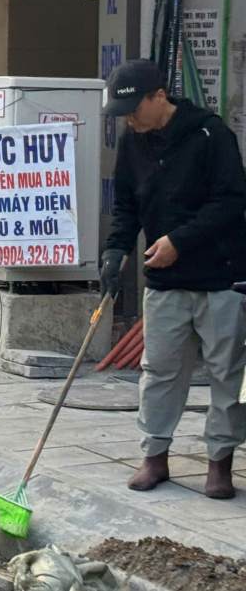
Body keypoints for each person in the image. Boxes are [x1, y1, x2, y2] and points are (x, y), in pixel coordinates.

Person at [101, 59, 246, 500]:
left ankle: (219, 461)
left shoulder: (210, 134)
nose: (128, 119)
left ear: (158, 97)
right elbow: (125, 202)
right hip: (164, 279)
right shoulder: (133, 141)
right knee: (160, 370)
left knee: (225, 372)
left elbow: (231, 201)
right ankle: (154, 456)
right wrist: (115, 250)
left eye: (134, 108)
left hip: (220, 275)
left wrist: (179, 241)